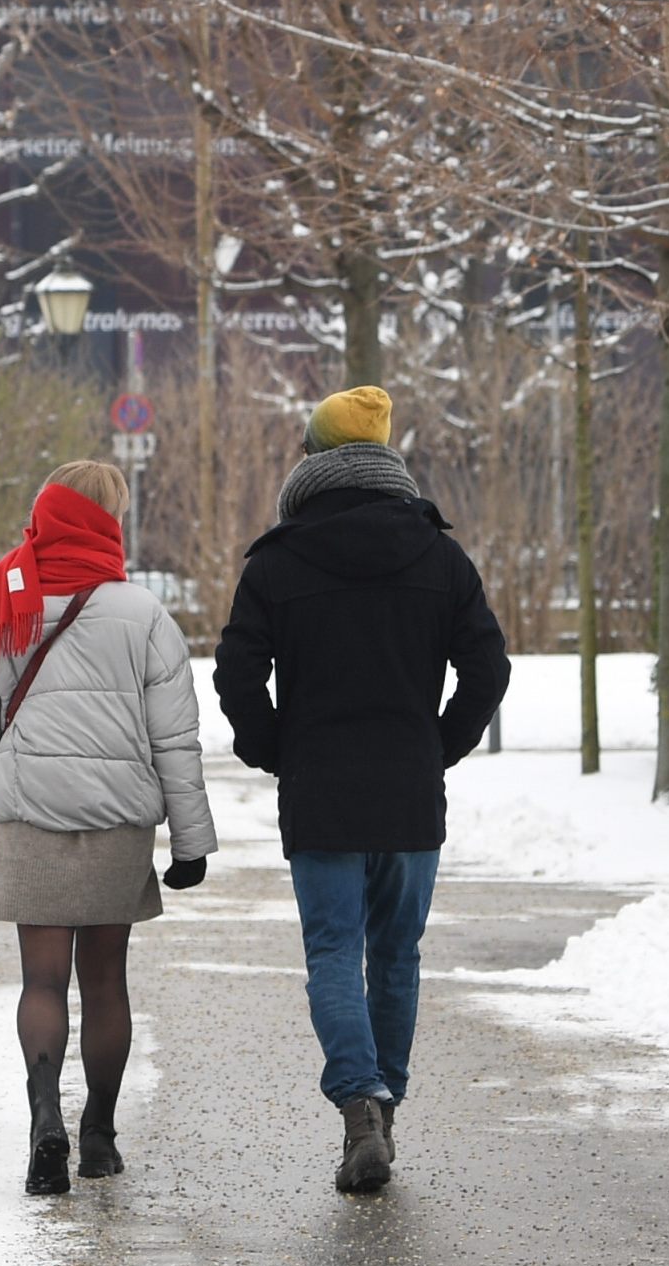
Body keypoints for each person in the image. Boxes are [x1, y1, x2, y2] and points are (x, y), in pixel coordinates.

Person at [214, 384, 510, 1196]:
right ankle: (386, 1110)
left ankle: (360, 1108)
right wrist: (437, 746)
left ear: (313, 460)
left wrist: (276, 749)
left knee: (334, 953)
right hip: (409, 795)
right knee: (397, 956)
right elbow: (488, 667)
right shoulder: (439, 556)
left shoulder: (277, 560)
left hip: (322, 796)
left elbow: (237, 671)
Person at [0, 458, 216, 1196]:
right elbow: (175, 740)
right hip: (117, 821)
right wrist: (190, 840)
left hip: (30, 816)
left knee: (40, 980)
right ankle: (98, 1136)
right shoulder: (145, 614)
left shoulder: (4, 601)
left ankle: (43, 1123)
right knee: (105, 983)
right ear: (108, 521)